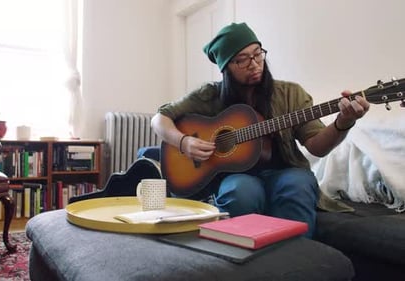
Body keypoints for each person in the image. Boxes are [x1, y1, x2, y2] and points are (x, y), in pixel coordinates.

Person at [151, 22, 370, 238]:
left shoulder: (290, 93)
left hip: (286, 171)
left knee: (297, 186)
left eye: (258, 54)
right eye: (242, 60)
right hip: (236, 175)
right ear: (226, 67)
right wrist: (184, 142)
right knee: (240, 193)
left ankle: (297, 265)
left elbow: (316, 146)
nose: (254, 64)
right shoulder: (209, 95)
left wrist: (344, 122)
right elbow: (159, 119)